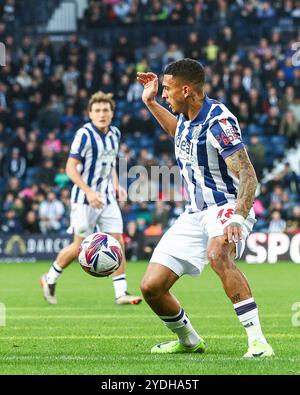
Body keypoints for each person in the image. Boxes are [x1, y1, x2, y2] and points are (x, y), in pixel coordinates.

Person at [137, 59, 274, 358]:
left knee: (218, 254)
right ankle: (189, 341)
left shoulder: (218, 122)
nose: (164, 95)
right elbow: (179, 134)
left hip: (226, 205)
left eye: (167, 90)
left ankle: (258, 343)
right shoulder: (186, 115)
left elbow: (248, 175)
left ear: (187, 90)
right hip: (194, 212)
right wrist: (149, 103)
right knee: (151, 287)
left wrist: (238, 217)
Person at [40, 91, 142, 306]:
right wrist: (88, 191)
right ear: (90, 113)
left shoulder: (115, 133)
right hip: (84, 199)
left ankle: (121, 292)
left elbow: (110, 162)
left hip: (106, 198)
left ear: (112, 113)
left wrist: (115, 185)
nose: (101, 114)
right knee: (79, 247)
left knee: (117, 241)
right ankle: (49, 278)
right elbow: (70, 168)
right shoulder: (84, 134)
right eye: (97, 110)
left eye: (106, 110)